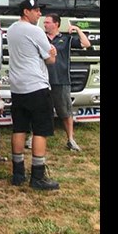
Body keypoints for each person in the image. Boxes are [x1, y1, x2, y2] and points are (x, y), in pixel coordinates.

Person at [4, 0, 60, 190]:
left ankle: (18, 173)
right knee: (41, 130)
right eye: (36, 11)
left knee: (19, 128)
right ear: (26, 12)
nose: (39, 14)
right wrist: (52, 53)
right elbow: (49, 59)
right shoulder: (35, 31)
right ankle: (37, 175)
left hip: (17, 87)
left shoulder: (11, 29)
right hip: (36, 85)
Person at [43, 13, 91, 152]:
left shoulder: (66, 38)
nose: (45, 25)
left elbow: (86, 44)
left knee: (65, 112)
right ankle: (33, 137)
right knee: (40, 110)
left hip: (61, 80)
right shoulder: (41, 38)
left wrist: (77, 29)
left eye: (47, 22)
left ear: (56, 24)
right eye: (44, 23)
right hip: (42, 80)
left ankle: (70, 139)